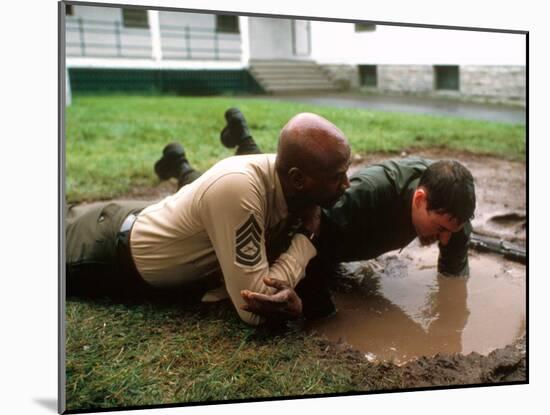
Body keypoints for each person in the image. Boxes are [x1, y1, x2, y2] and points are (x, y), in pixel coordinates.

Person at [66, 110, 352, 326]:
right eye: (337, 177)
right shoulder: (240, 189)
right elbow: (253, 307)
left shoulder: (285, 181)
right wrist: (307, 238)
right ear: (298, 179)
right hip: (107, 252)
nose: (347, 184)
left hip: (148, 215)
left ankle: (177, 161)